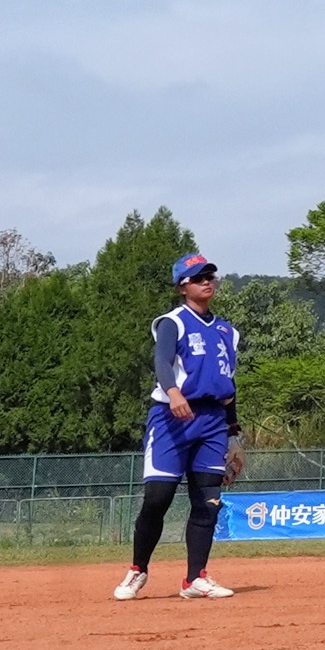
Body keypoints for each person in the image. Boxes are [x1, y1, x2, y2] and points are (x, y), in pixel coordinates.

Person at [114, 254, 241, 601]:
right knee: (158, 498)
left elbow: (229, 385)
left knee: (208, 501)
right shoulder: (173, 322)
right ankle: (138, 570)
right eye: (199, 277)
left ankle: (195, 579)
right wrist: (172, 393)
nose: (207, 281)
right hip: (173, 417)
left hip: (213, 421)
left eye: (210, 275)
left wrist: (234, 436)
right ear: (182, 286)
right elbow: (161, 360)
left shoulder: (228, 332)